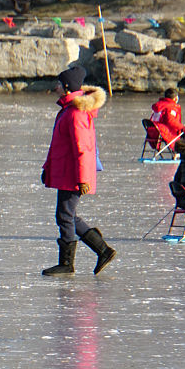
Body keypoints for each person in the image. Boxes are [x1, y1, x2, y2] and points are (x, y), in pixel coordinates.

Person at [41, 65, 117, 276]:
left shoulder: (76, 113)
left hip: (73, 174)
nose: (55, 87)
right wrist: (47, 169)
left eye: (58, 83)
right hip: (67, 172)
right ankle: (103, 250)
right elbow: (59, 146)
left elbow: (84, 148)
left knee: (64, 216)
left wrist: (84, 179)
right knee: (68, 215)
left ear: (66, 87)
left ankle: (67, 264)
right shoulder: (68, 110)